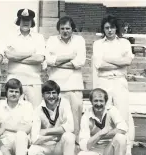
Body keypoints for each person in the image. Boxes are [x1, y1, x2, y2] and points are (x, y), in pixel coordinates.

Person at [92, 15, 135, 155]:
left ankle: (126, 146)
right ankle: (106, 145)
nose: (109, 30)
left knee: (123, 113)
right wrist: (118, 62)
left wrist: (107, 59)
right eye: (106, 28)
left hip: (119, 81)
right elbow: (99, 65)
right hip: (103, 81)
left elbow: (128, 62)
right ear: (103, 29)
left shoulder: (124, 43)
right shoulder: (98, 44)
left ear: (116, 28)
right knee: (104, 113)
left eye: (112, 27)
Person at [45, 16, 86, 143]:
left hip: (74, 87)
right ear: (58, 29)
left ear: (72, 29)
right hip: (56, 87)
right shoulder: (52, 40)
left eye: (68, 28)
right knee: (57, 118)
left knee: (75, 119)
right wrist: (69, 57)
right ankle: (58, 144)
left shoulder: (79, 40)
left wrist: (57, 62)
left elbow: (80, 62)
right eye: (62, 28)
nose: (65, 31)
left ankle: (76, 144)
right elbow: (48, 60)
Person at [5, 8, 45, 108]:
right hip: (14, 81)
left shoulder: (39, 37)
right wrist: (30, 53)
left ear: (32, 22)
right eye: (23, 20)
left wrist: (17, 57)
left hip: (33, 81)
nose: (25, 23)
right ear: (19, 21)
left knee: (35, 113)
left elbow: (39, 58)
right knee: (13, 113)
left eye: (28, 20)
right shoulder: (10, 36)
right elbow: (9, 56)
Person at [28, 80, 75, 155]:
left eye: (54, 93)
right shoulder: (38, 110)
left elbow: (70, 127)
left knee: (69, 136)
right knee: (32, 151)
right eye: (48, 93)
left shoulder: (64, 103)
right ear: (42, 95)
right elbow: (34, 138)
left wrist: (47, 131)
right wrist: (55, 137)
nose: (51, 96)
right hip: (45, 145)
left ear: (58, 94)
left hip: (59, 145)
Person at [0, 78, 33, 155]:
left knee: (21, 134)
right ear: (6, 92)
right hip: (3, 142)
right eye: (11, 91)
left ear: (20, 93)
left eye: (16, 92)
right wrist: (3, 149)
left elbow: (27, 129)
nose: (14, 94)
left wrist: (6, 127)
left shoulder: (27, 106)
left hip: (20, 142)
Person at [78, 88, 127, 155]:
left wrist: (105, 134)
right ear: (91, 101)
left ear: (105, 102)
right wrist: (100, 133)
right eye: (96, 101)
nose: (98, 104)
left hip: (111, 147)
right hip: (95, 149)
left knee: (121, 137)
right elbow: (84, 146)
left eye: (101, 101)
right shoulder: (86, 116)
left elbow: (123, 128)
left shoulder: (111, 110)